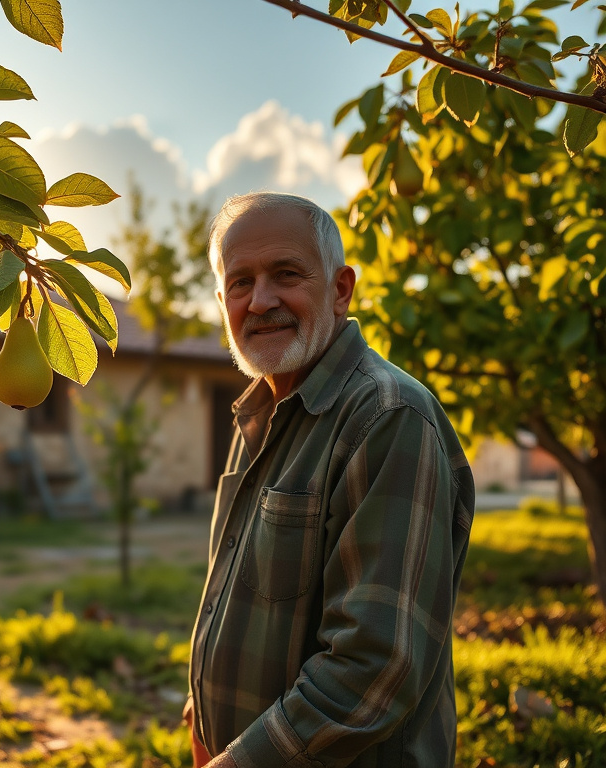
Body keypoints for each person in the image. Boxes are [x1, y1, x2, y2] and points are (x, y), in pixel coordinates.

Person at [185, 192, 474, 767]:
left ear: (340, 289)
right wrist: (201, 710)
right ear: (222, 302)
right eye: (239, 283)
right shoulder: (260, 414)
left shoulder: (387, 417)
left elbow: (374, 667)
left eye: (285, 274)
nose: (260, 300)